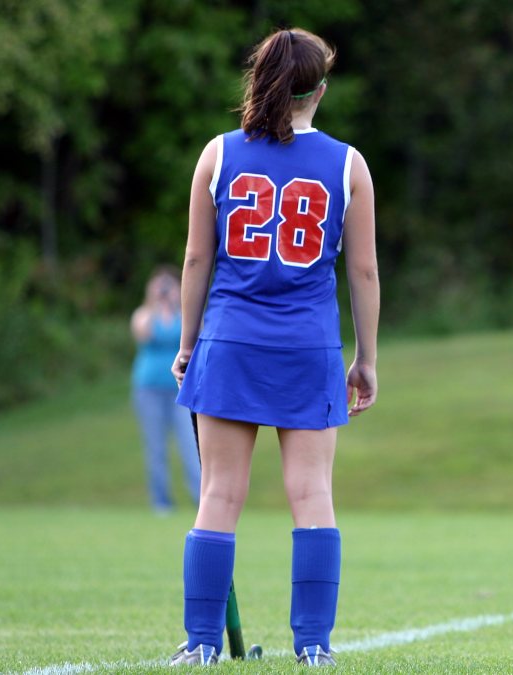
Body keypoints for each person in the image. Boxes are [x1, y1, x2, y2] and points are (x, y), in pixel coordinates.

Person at [169, 27, 379, 666]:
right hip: (307, 348)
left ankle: (201, 644)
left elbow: (197, 257)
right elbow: (363, 272)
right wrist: (366, 358)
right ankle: (313, 644)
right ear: (320, 88)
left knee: (219, 497)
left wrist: (187, 344)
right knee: (312, 494)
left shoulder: (219, 153)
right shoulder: (348, 163)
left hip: (229, 341)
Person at [130, 265, 201, 514]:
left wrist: (178, 303)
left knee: (191, 445)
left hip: (181, 389)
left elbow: (196, 334)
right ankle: (161, 502)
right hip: (148, 390)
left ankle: (201, 500)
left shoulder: (186, 315)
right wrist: (154, 304)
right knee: (156, 447)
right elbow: (142, 334)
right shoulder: (144, 314)